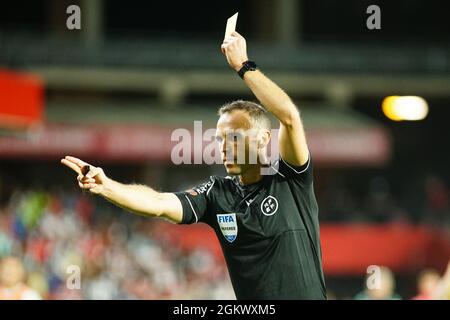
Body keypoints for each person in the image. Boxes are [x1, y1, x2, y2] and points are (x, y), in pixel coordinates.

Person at [61, 31, 326, 300]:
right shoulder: (217, 194)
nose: (223, 147)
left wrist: (243, 65)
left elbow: (289, 117)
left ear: (262, 139)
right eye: (220, 139)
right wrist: (107, 187)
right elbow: (160, 203)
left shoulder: (289, 178)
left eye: (234, 138)